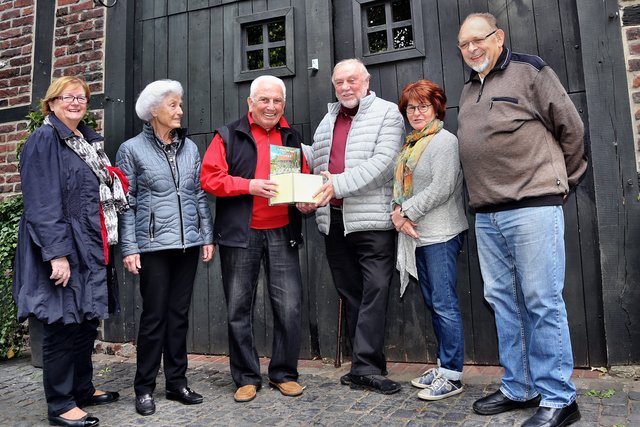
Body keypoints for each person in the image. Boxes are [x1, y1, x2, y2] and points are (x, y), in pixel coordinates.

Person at [456, 13, 587, 427]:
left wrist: (560, 182)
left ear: (499, 37)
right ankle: (520, 387)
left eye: (479, 40)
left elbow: (572, 128)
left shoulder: (529, 70)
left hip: (532, 207)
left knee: (541, 301)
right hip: (487, 214)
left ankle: (559, 397)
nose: (472, 49)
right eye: (464, 44)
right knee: (503, 302)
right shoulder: (468, 87)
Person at [13, 76, 127, 427]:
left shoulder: (85, 141)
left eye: (82, 97)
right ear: (51, 103)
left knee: (83, 321)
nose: (76, 102)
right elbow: (42, 202)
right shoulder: (45, 139)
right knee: (61, 323)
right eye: (68, 97)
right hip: (62, 246)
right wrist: (57, 253)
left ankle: (82, 387)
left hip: (90, 244)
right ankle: (61, 404)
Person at [299, 58, 404, 394]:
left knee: (374, 291)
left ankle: (367, 367)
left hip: (372, 221)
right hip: (334, 221)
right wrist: (303, 189)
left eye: (352, 80)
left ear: (366, 81)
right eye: (339, 82)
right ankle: (365, 364)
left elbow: (384, 164)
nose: (345, 87)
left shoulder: (387, 113)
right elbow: (317, 164)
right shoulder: (326, 121)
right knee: (351, 293)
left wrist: (337, 185)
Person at [200, 75, 306, 403]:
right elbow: (209, 179)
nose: (271, 106)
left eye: (276, 101)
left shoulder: (291, 136)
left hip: (281, 231)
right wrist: (249, 186)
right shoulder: (229, 135)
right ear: (250, 102)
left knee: (289, 307)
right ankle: (246, 376)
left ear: (283, 104)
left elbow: (299, 179)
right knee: (238, 308)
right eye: (264, 100)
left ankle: (284, 373)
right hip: (240, 234)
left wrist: (303, 200)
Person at [116, 79, 215, 416]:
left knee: (178, 316)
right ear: (153, 111)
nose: (180, 111)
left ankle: (177, 383)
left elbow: (198, 195)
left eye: (180, 104)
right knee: (154, 317)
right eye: (173, 105)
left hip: (187, 244)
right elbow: (126, 203)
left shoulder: (190, 148)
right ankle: (143, 388)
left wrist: (206, 236)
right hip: (153, 246)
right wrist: (130, 247)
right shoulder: (131, 150)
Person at [391, 80, 469, 401]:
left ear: (437, 107)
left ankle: (452, 375)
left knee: (444, 304)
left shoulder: (444, 141)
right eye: (411, 107)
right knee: (434, 304)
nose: (417, 112)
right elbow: (402, 189)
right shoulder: (412, 145)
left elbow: (442, 187)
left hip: (441, 234)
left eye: (424, 106)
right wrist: (399, 213)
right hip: (420, 236)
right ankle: (442, 366)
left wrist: (404, 213)